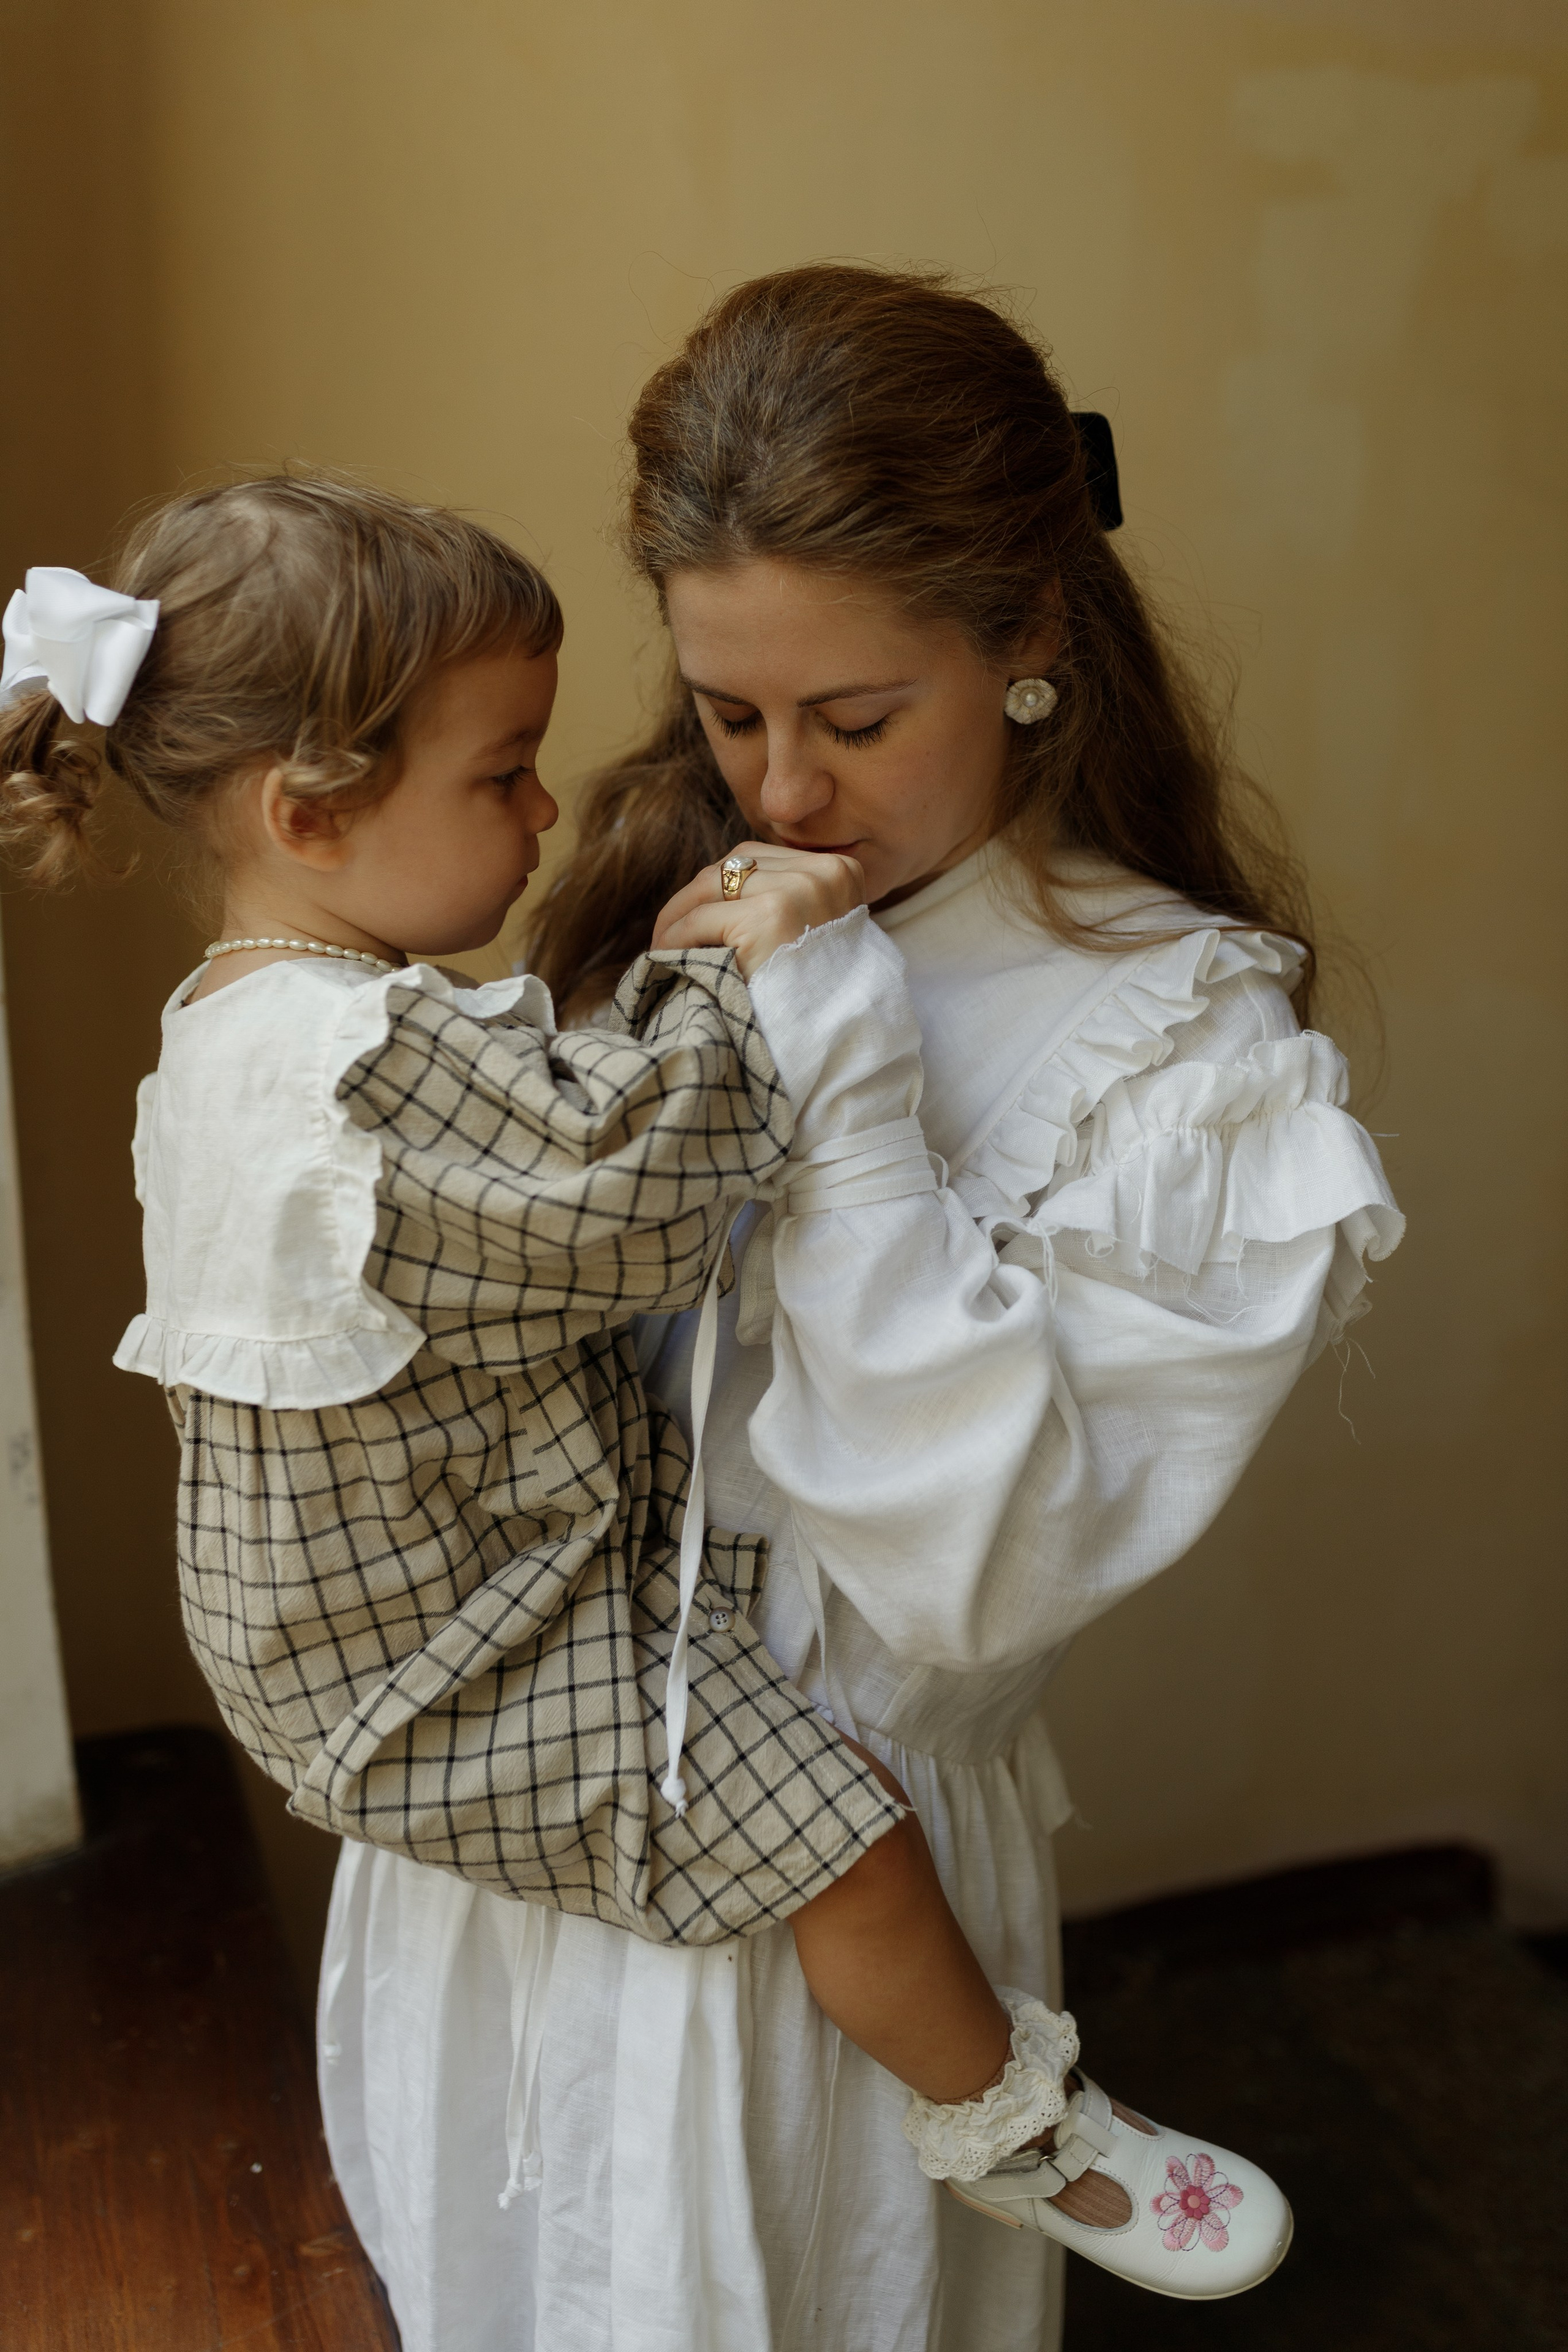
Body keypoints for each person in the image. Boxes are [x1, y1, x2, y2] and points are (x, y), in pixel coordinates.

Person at [0, 472, 1291, 2345]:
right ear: (308, 812)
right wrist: (751, 997)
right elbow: (639, 1202)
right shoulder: (357, 1069)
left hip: (404, 1628)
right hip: (469, 1647)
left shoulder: (252, 1020)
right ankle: (1023, 2124)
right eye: (501, 774)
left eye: (850, 721)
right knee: (840, 1839)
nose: (553, 808)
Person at [308, 268, 1403, 2352]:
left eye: (857, 719)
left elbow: (964, 1573)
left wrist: (850, 1088)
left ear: (1031, 646)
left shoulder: (1192, 1067)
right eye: (731, 715)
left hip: (824, 1948)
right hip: (502, 1860)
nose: (785, 795)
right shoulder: (652, 913)